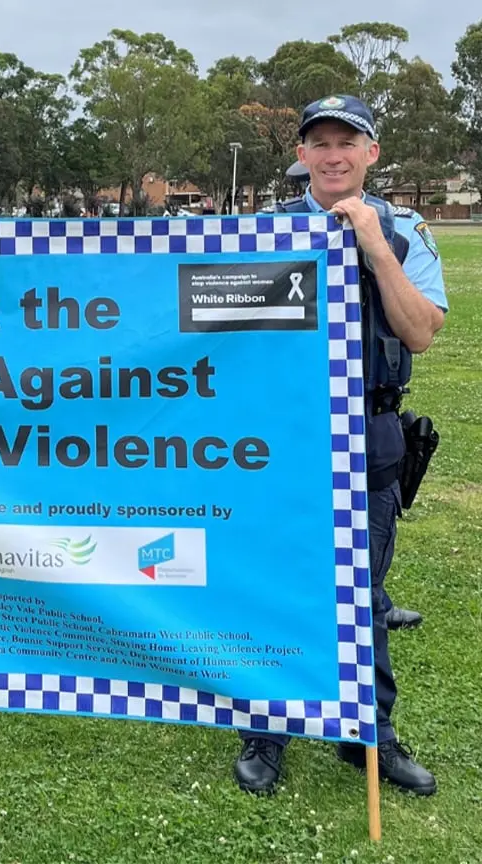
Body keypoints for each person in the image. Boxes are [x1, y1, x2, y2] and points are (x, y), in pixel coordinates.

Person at [233, 95, 447, 797]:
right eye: (318, 143)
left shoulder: (405, 229)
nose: (331, 155)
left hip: (372, 429)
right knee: (273, 581)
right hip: (284, 436)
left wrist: (373, 244)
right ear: (302, 156)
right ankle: (267, 728)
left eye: (345, 142)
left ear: (370, 153)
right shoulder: (267, 233)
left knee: (362, 592)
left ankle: (370, 738)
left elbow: (419, 332)